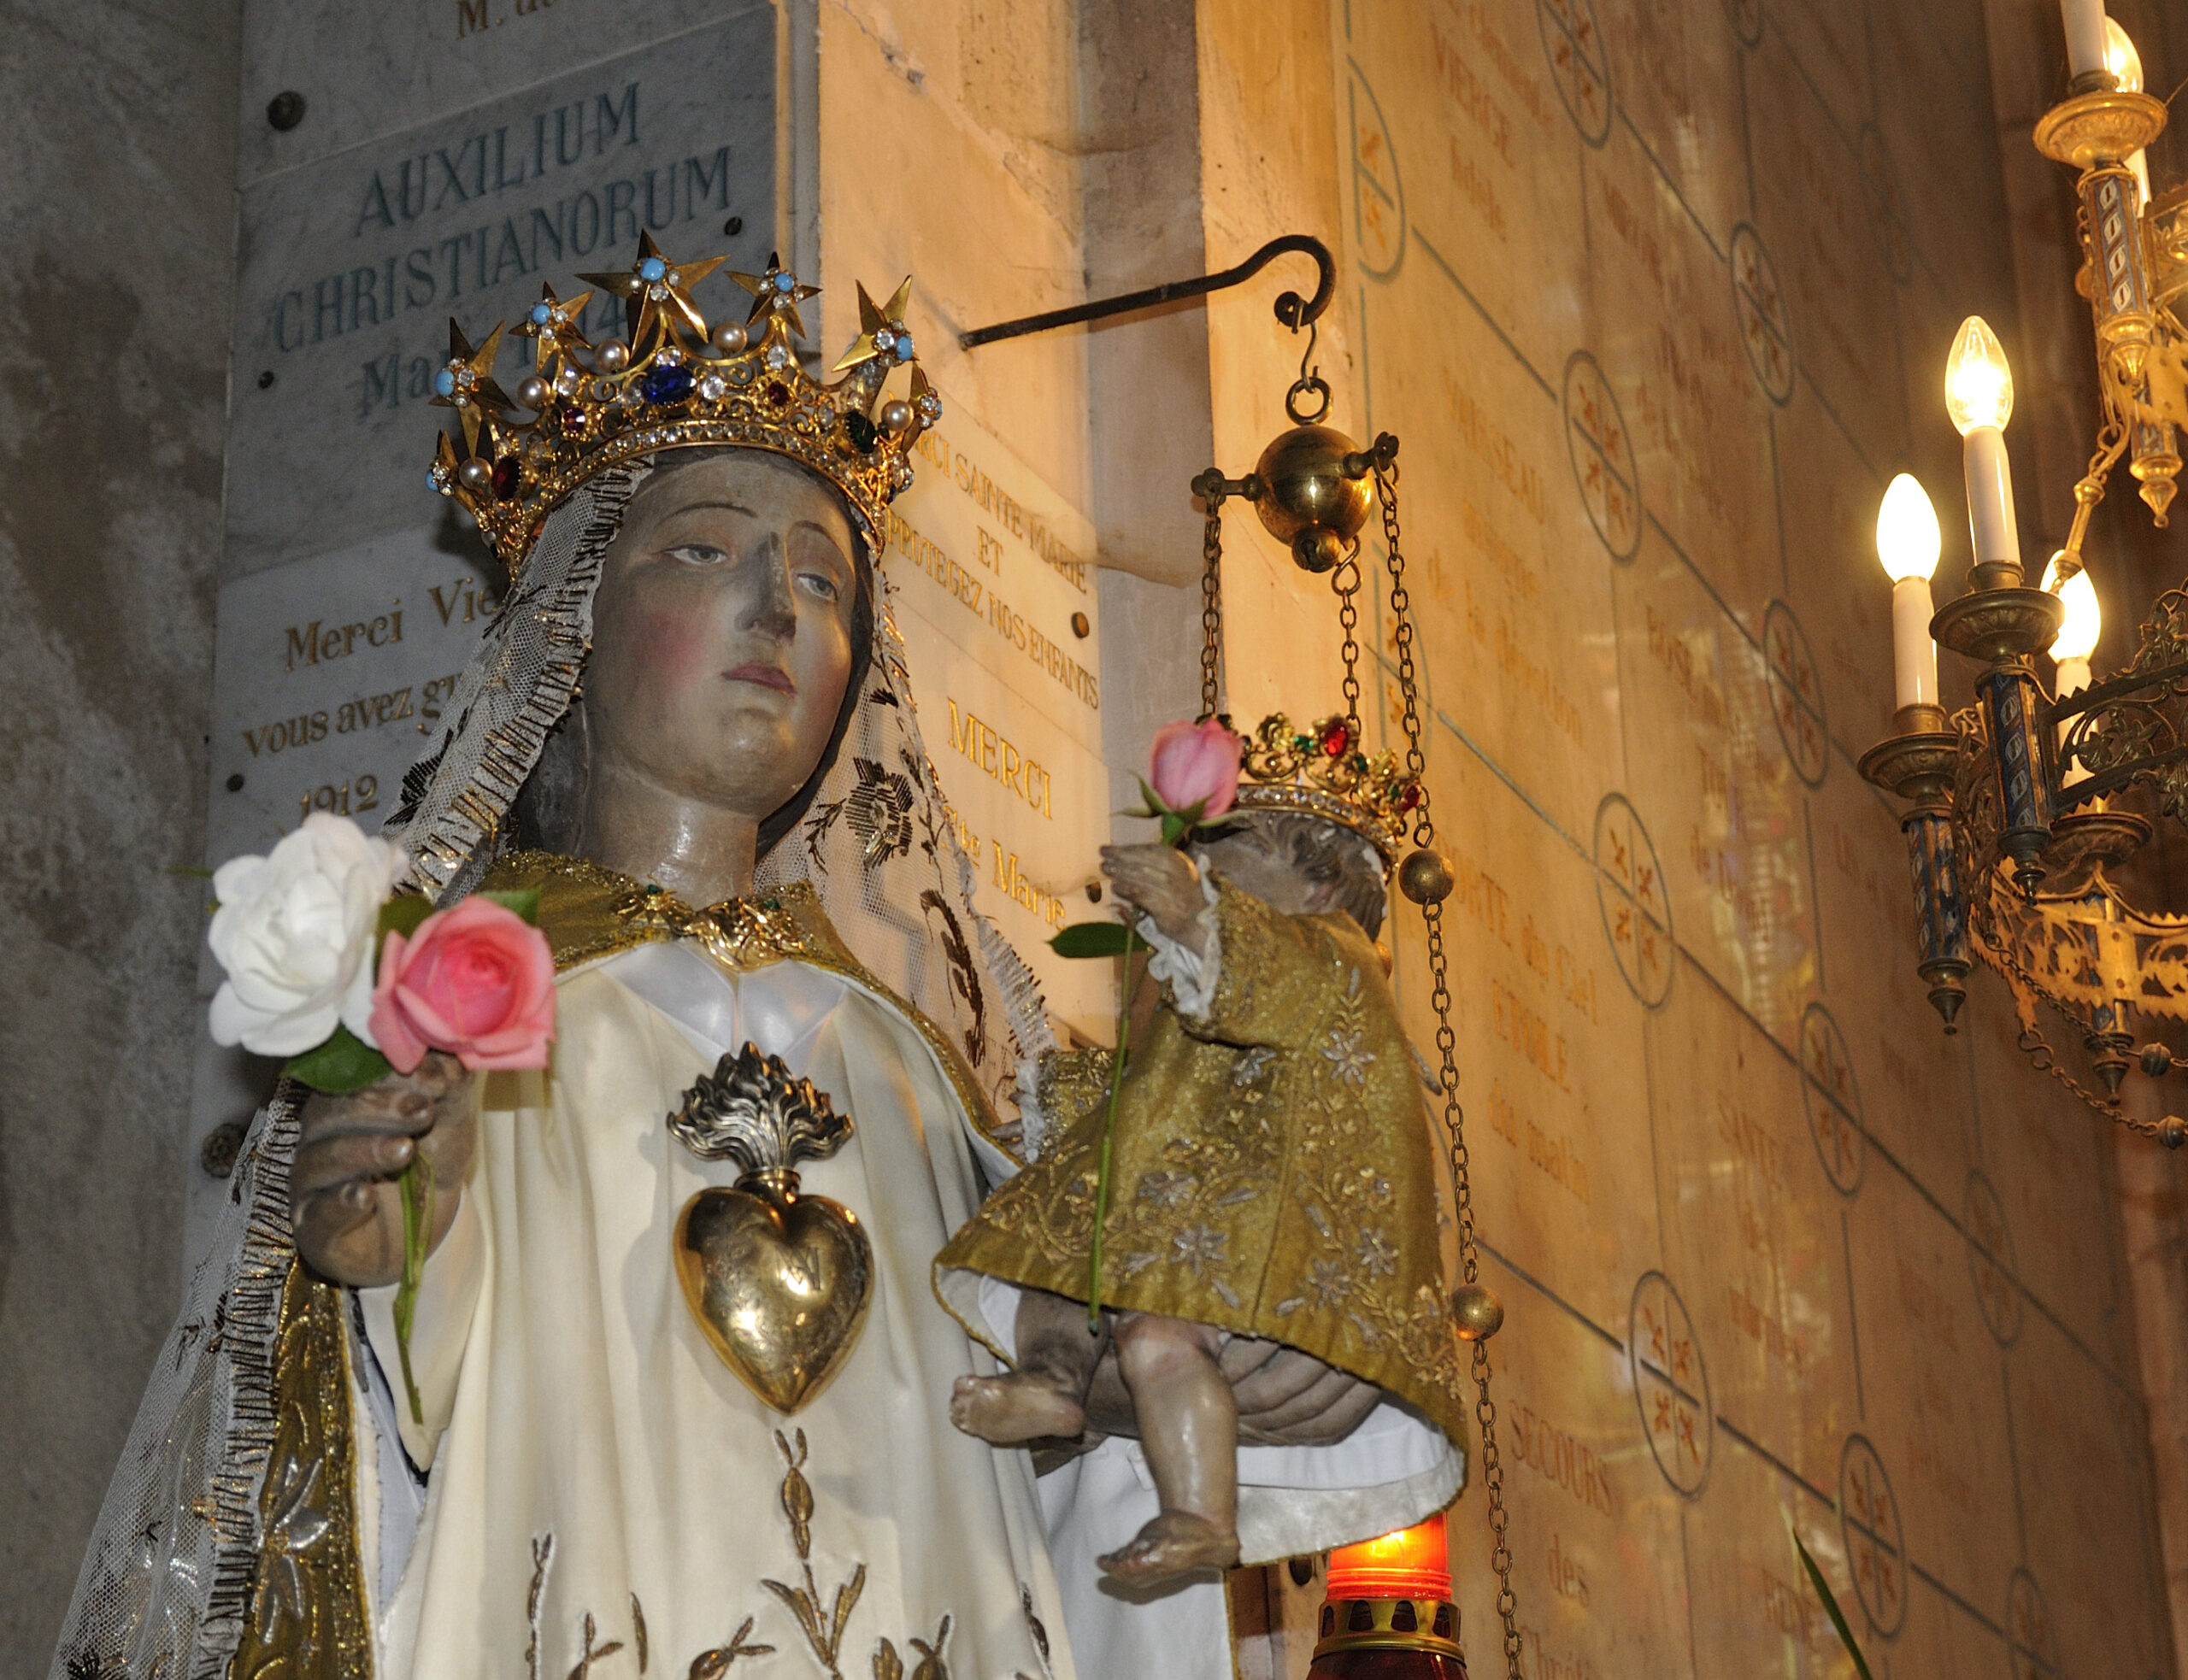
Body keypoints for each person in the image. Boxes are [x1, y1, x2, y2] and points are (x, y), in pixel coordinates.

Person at [52, 246, 1456, 1680]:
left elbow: (1040, 1403)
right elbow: (380, 1466)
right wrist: (375, 1264)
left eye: (823, 582)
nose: (780, 612)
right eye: (705, 552)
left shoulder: (925, 1075)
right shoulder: (477, 1014)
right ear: (574, 630)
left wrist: (1228, 1347)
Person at [938, 720, 1468, 1592]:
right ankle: (1055, 1384)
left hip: (1255, 1253)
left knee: (1155, 1341)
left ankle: (1195, 1513)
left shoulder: (1331, 959)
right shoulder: (1215, 1024)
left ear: (1321, 886)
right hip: (1178, 1230)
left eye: (1220, 874)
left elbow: (1266, 966)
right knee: (1061, 1276)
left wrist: (1191, 912)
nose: (1199, 890)